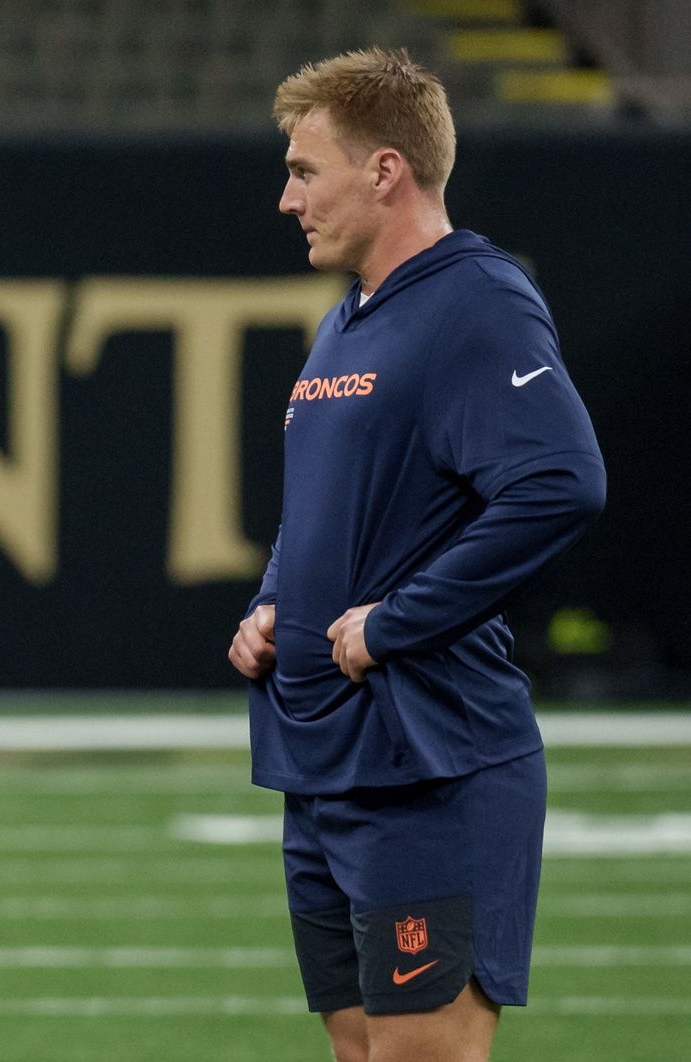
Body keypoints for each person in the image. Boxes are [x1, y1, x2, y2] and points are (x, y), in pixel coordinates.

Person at [228, 49, 605, 1062]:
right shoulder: (346, 319)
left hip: (431, 762)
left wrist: (397, 622)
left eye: (306, 171)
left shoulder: (477, 300)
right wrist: (272, 604)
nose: (287, 198)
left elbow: (561, 480)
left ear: (385, 171)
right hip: (326, 761)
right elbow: (331, 512)